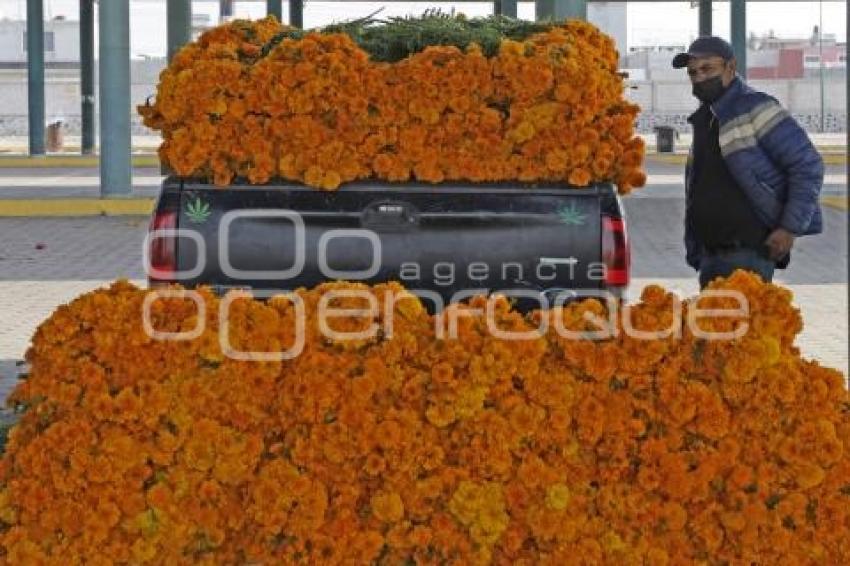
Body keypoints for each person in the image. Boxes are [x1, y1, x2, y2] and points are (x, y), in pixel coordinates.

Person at [671, 36, 824, 289]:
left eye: (707, 68)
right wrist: (696, 250)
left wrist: (788, 228)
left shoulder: (756, 107)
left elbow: (807, 165)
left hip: (750, 255)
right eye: (693, 72)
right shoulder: (706, 119)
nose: (699, 77)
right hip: (711, 257)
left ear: (731, 67)